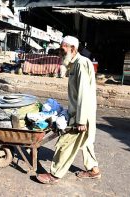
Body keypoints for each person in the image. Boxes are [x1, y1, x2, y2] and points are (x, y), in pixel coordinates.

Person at [36, 36, 100, 184]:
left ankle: (55, 175)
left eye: (63, 50)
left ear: (73, 49)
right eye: (60, 49)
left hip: (81, 114)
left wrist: (81, 120)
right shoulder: (74, 64)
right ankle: (93, 170)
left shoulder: (81, 64)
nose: (60, 53)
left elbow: (84, 93)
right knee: (86, 141)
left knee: (65, 143)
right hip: (80, 111)